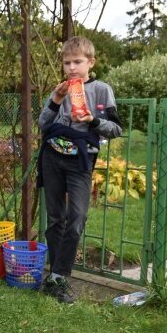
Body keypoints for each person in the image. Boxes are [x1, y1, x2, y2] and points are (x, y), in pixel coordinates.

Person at [37, 36, 122, 304]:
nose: (72, 67)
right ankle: (56, 279)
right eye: (67, 63)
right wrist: (56, 99)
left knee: (77, 218)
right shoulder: (60, 90)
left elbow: (116, 129)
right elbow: (43, 123)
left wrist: (92, 120)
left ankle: (57, 276)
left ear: (91, 62)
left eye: (77, 62)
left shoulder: (102, 90)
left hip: (80, 162)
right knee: (55, 218)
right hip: (52, 157)